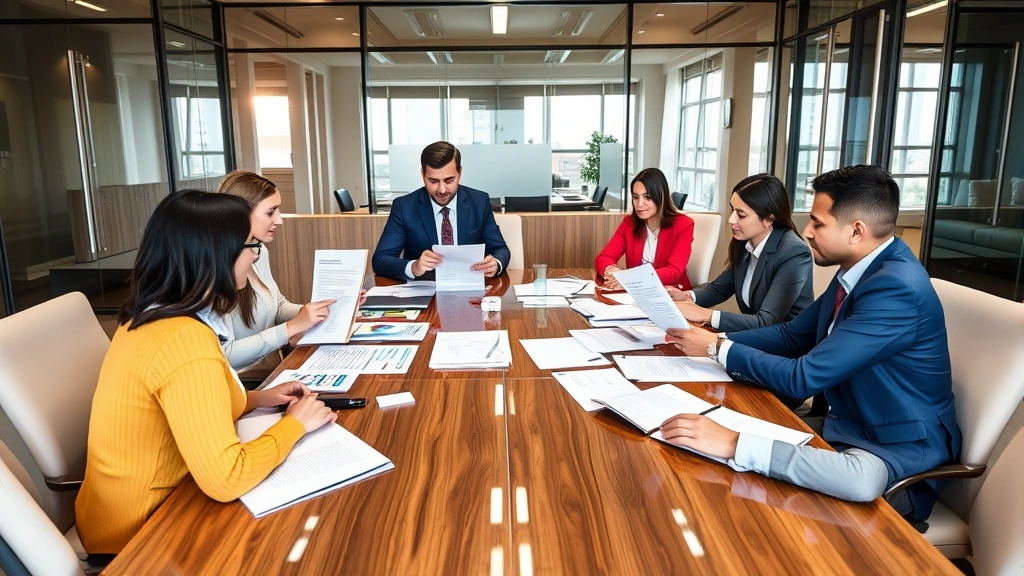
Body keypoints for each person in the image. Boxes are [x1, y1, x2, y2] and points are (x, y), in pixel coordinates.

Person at [659, 165, 961, 522]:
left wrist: (717, 349)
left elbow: (804, 377)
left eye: (818, 223)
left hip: (895, 454)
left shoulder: (895, 288)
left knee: (750, 488)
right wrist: (715, 340)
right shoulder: (859, 268)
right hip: (847, 425)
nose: (806, 231)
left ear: (856, 231)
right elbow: (792, 335)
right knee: (713, 462)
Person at [76, 190, 338, 554]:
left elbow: (184, 402)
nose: (255, 255)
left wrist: (256, 399)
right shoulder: (185, 340)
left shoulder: (150, 315)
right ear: (216, 255)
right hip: (141, 533)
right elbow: (226, 479)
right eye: (250, 246)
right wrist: (295, 425)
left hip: (124, 508)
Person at [214, 171, 364, 372]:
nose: (279, 220)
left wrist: (325, 308)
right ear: (240, 215)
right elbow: (224, 355)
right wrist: (290, 328)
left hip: (275, 369)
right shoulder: (214, 267)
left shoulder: (259, 250)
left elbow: (278, 306)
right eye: (270, 212)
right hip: (247, 381)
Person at [669, 174, 813, 332]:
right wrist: (688, 296)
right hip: (755, 336)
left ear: (769, 219)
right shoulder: (746, 241)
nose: (731, 219)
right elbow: (719, 289)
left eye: (741, 215)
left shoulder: (794, 253)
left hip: (784, 341)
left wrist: (707, 315)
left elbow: (766, 321)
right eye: (733, 210)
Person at [371, 141, 511, 281]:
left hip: (470, 284)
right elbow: (381, 259)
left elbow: (500, 249)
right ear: (422, 174)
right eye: (433, 181)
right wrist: (414, 267)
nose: (442, 190)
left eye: (449, 180)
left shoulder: (479, 202)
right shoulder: (404, 207)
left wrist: (496, 263)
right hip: (424, 286)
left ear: (460, 173)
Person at [595, 168, 695, 290]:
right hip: (636, 293)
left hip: (671, 293)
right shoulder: (629, 223)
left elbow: (673, 272)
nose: (639, 204)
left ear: (660, 197)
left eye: (647, 197)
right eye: (635, 197)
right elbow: (603, 258)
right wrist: (614, 273)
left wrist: (628, 279)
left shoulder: (683, 225)